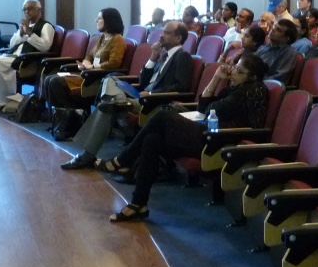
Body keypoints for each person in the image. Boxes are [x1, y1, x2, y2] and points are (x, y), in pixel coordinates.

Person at [106, 53, 270, 222]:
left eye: (239, 71)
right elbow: (203, 107)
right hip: (211, 134)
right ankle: (138, 203)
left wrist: (214, 100)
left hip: (223, 143)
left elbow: (211, 110)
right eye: (235, 67)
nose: (233, 72)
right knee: (152, 140)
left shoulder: (250, 91)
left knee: (162, 116)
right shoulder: (236, 88)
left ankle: (123, 160)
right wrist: (216, 78)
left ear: (253, 77)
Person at [60, 21, 195, 169]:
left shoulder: (183, 56)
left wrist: (151, 94)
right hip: (140, 96)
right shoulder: (163, 55)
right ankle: (120, 103)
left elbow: (181, 87)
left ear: (178, 38)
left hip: (153, 101)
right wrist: (153, 57)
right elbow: (143, 82)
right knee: (111, 79)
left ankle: (87, 156)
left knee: (106, 107)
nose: (161, 35)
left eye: (167, 33)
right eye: (162, 31)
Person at [0, 0, 55, 109]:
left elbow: (45, 46)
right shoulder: (25, 26)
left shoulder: (46, 26)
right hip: (14, 55)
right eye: (24, 9)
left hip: (27, 60)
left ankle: (2, 101)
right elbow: (12, 44)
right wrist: (20, 34)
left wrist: (30, 33)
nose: (27, 11)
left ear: (38, 10)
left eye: (30, 8)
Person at [44, 8, 126, 112]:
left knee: (54, 82)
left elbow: (114, 63)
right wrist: (85, 64)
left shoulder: (118, 39)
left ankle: (71, 114)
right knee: (48, 79)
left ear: (108, 21)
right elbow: (89, 56)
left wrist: (92, 67)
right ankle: (58, 115)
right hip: (89, 74)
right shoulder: (102, 38)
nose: (96, 20)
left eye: (99, 18)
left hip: (97, 79)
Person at [256, 18, 299, 83]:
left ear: (287, 38)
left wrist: (256, 81)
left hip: (264, 85)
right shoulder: (264, 47)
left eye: (278, 30)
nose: (273, 29)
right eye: (274, 26)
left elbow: (279, 78)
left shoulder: (289, 53)